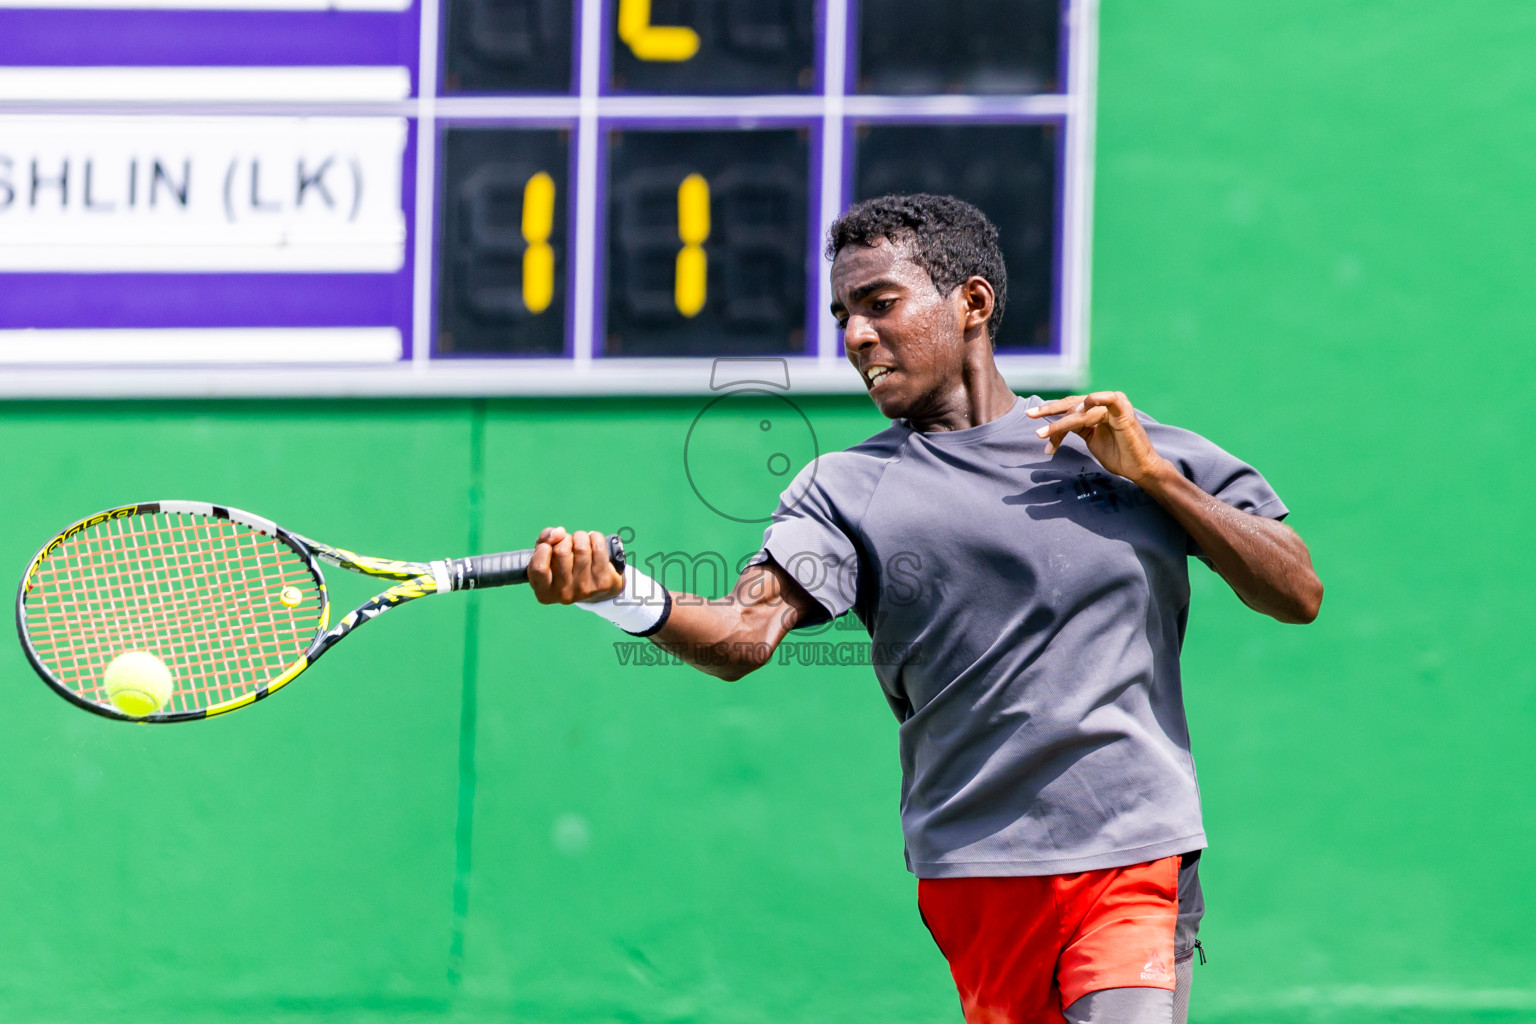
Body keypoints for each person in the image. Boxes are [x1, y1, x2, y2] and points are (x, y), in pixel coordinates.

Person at [525, 194, 1322, 1024]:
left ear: (971, 303)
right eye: (843, 316)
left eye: (880, 304)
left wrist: (1155, 477)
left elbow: (1296, 591)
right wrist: (623, 595)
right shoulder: (843, 488)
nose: (856, 337)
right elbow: (742, 634)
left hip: (1134, 852)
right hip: (976, 874)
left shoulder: (1123, 443)